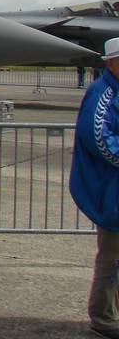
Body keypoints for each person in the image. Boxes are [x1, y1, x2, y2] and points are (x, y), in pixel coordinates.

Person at [70, 37, 119, 338]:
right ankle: (103, 319)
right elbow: (99, 139)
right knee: (112, 256)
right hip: (110, 190)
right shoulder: (102, 93)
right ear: (113, 62)